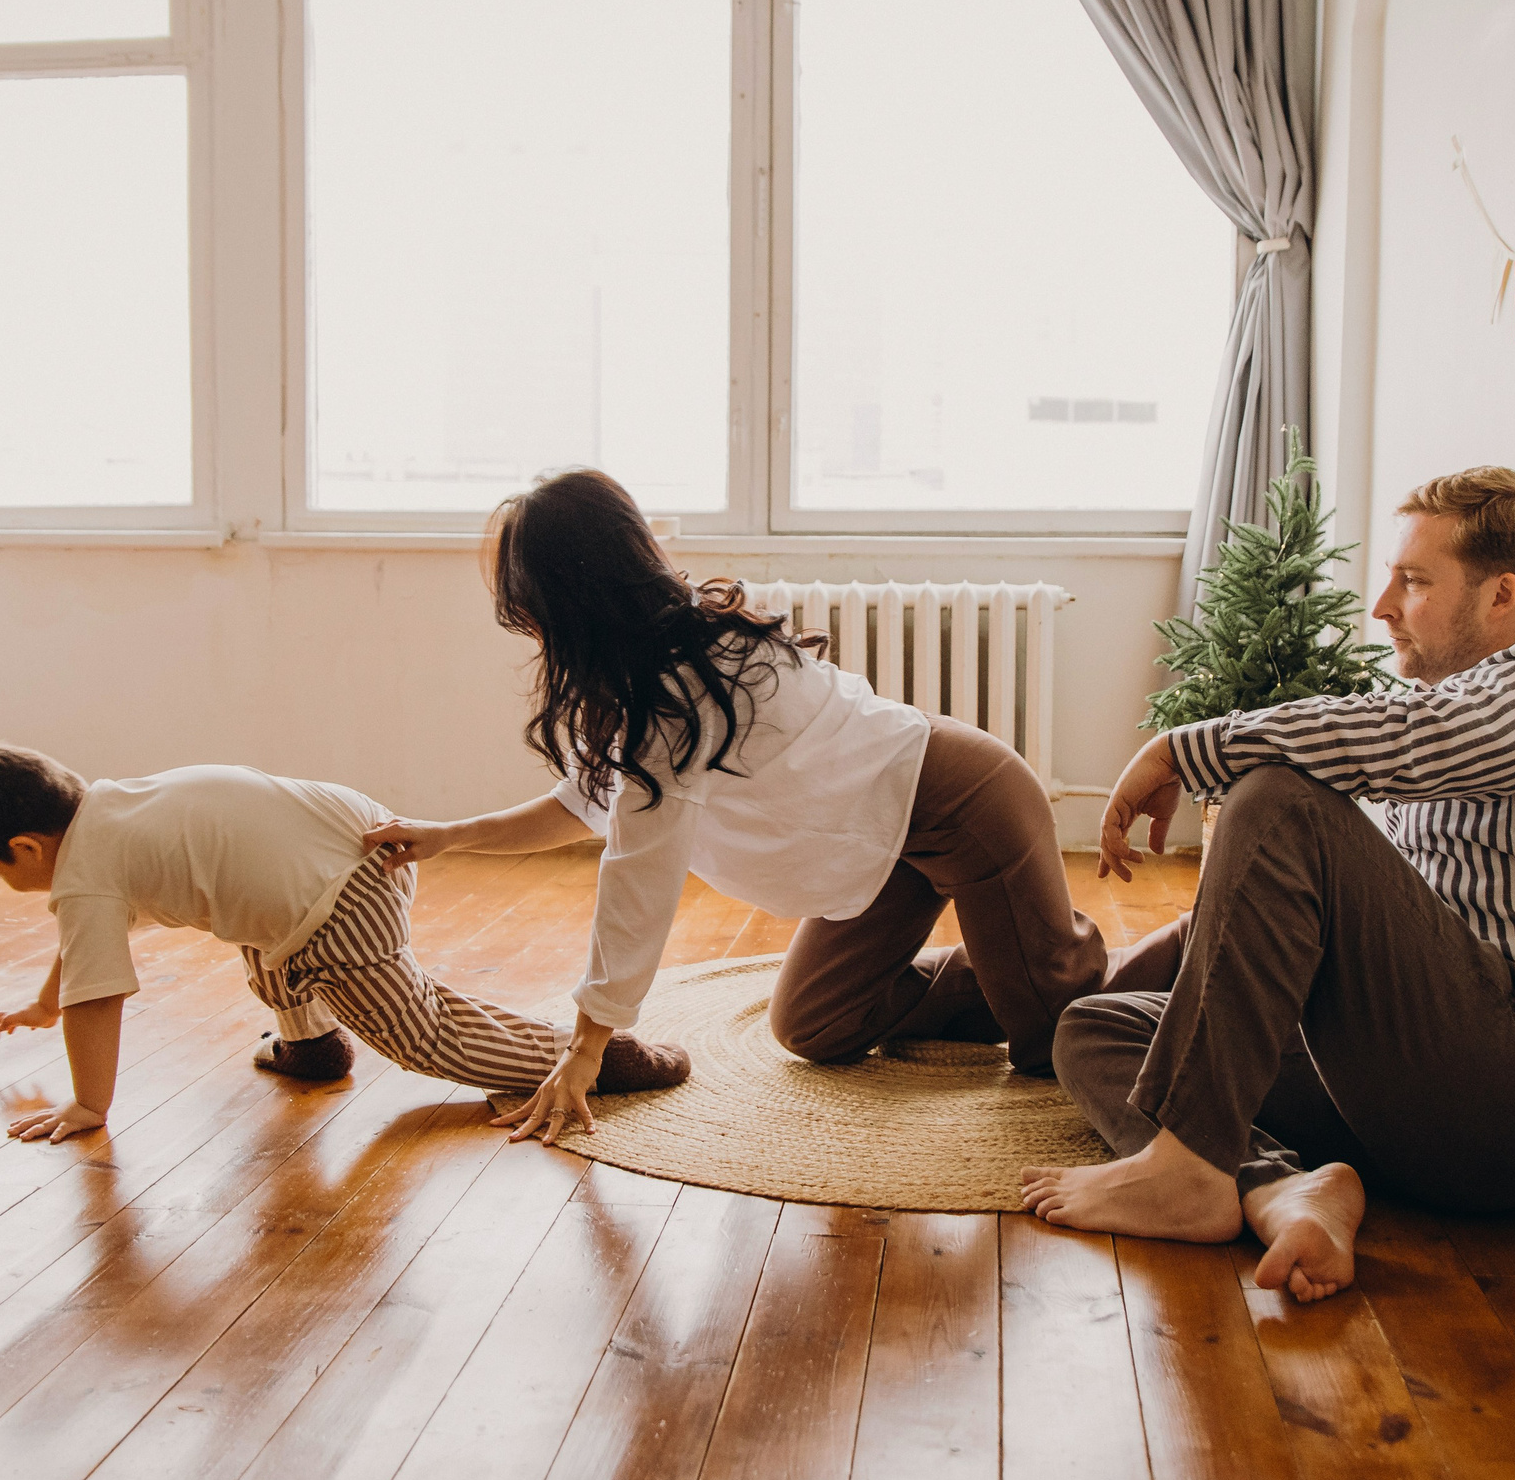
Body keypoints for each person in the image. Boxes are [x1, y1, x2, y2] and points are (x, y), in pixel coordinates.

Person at [1021, 468, 1515, 1304]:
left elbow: (1409, 737)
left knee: (1277, 799)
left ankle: (1188, 1164)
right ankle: (1279, 1189)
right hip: (1412, 1092)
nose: (1383, 606)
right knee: (1098, 1028)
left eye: (1415, 582)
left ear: (1503, 594)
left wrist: (1184, 748)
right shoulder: (1462, 709)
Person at [363, 468, 1107, 1145]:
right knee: (817, 1027)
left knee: (1057, 1040)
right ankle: (1029, 954)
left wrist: (586, 1050)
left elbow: (637, 885)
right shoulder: (645, 676)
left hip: (963, 805)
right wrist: (447, 837)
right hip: (878, 846)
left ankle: (1108, 963)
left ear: (570, 602)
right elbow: (584, 807)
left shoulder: (676, 692)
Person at [0, 746, 688, 1143]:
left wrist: (88, 1104)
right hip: (358, 838)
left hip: (340, 895)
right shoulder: (112, 812)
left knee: (420, 1032)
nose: (4, 883)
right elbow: (84, 954)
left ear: (26, 847)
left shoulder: (85, 872)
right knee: (265, 941)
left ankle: (593, 1058)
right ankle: (312, 1046)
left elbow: (97, 995)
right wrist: (46, 1003)